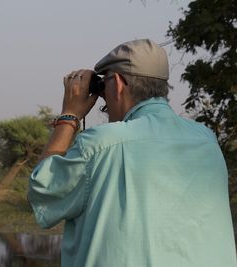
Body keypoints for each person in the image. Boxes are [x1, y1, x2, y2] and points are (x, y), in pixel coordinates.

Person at [27, 39, 237, 267]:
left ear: (117, 83)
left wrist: (69, 116)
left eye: (103, 85)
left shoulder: (100, 145)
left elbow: (43, 192)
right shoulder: (206, 140)